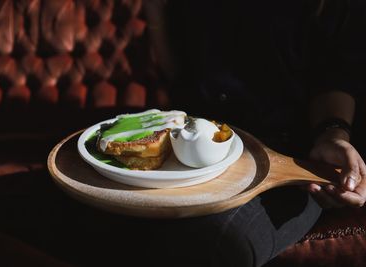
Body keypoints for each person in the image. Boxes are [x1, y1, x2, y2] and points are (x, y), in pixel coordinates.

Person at [143, 0, 366, 266]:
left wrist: (331, 135)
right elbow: (180, 73)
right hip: (192, 148)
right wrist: (156, 11)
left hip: (286, 160)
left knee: (213, 245)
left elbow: (337, 73)